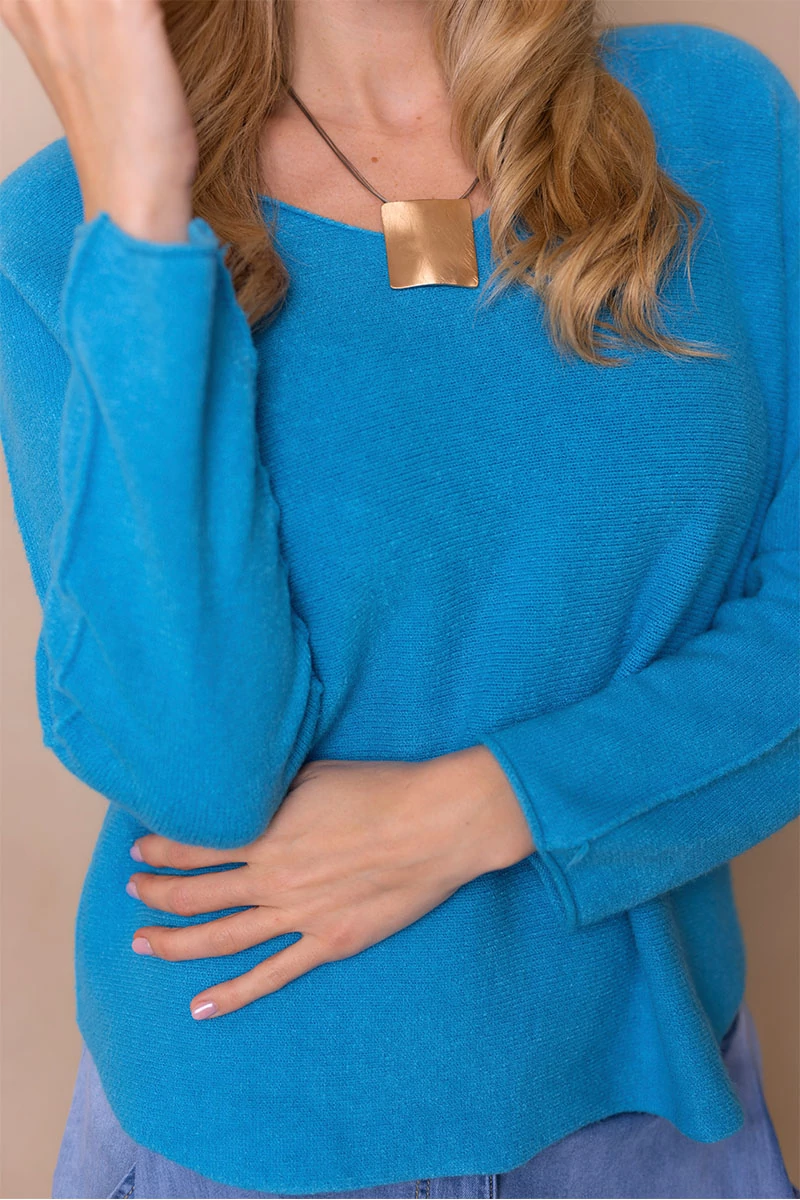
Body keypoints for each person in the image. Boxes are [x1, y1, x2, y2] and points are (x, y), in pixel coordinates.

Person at [0, 1, 797, 1197]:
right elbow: (200, 773)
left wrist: (484, 808)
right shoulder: (67, 224)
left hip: (651, 1116)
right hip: (248, 1135)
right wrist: (145, 215)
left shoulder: (712, 117)